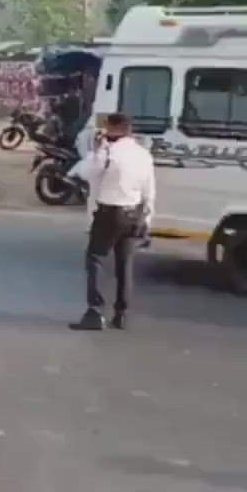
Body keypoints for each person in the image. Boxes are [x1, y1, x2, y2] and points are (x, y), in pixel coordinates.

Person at [68, 113, 156, 331]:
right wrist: (146, 220)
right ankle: (121, 314)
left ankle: (95, 313)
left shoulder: (109, 153)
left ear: (111, 129)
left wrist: (99, 148)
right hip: (134, 213)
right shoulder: (143, 154)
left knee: (95, 259)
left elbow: (87, 172)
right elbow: (149, 191)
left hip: (110, 213)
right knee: (124, 265)